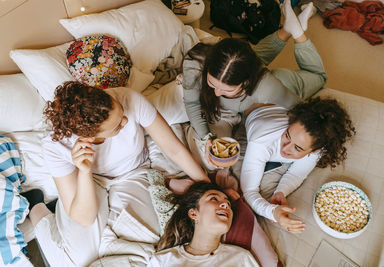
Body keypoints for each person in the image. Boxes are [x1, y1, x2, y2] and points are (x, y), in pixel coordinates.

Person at [25, 81, 210, 266]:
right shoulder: (55, 145)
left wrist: (207, 186)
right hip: (90, 182)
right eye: (117, 127)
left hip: (134, 172)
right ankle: (36, 206)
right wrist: (84, 170)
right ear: (89, 136)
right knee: (78, 260)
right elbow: (85, 217)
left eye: (121, 112)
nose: (125, 121)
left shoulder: (130, 98)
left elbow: (173, 149)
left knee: (152, 239)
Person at [183, 0, 326, 175]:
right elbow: (191, 103)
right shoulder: (194, 62)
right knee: (251, 56)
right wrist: (207, 138)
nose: (217, 93)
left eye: (227, 90)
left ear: (247, 83)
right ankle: (286, 29)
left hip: (276, 82)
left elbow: (304, 114)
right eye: (211, 84)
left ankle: (297, 33)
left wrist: (308, 146)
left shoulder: (267, 86)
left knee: (319, 78)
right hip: (246, 65)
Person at [240, 97, 355, 233]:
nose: (285, 148)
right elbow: (249, 191)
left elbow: (296, 174)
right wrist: (272, 212)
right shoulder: (260, 142)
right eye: (287, 135)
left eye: (298, 148)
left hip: (277, 108)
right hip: (256, 107)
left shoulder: (317, 148)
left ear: (316, 150)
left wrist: (280, 192)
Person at [148, 182, 259, 267]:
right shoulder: (161, 261)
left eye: (228, 203)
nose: (225, 204)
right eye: (214, 199)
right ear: (193, 213)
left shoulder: (241, 258)